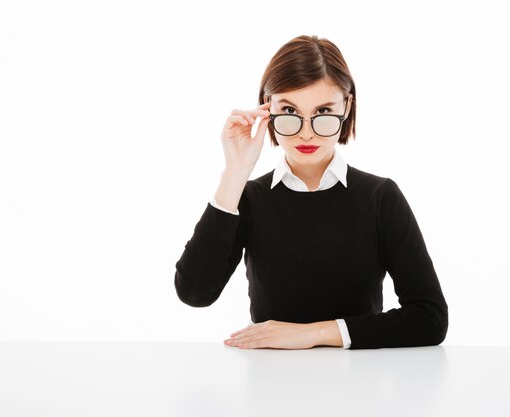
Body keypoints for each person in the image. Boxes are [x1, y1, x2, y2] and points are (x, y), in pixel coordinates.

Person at [174, 35, 448, 350]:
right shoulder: (249, 198)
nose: (306, 131)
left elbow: (430, 318)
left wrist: (313, 333)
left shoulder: (380, 197)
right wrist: (235, 172)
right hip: (270, 381)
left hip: (359, 381)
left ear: (346, 107)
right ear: (268, 107)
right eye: (289, 110)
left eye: (323, 112)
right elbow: (194, 293)